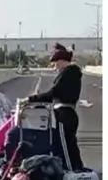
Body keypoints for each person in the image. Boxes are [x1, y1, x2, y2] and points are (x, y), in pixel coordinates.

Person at [28, 43, 84, 171]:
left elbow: (54, 93)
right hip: (67, 114)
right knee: (69, 145)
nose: (55, 67)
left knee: (66, 147)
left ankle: (73, 172)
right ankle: (76, 169)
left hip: (64, 115)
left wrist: (32, 99)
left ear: (62, 60)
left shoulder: (69, 73)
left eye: (55, 63)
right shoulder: (70, 74)